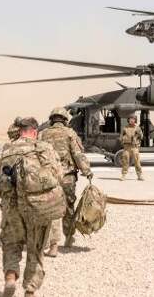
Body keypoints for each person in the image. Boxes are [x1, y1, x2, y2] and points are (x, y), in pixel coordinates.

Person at [0, 117, 62, 297]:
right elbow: (58, 175)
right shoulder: (44, 148)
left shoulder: (5, 150)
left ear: (20, 131)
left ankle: (10, 277)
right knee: (36, 250)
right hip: (37, 209)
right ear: (35, 131)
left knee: (11, 245)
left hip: (11, 210)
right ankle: (30, 291)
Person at [39, 107, 93, 255]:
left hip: (48, 178)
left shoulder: (42, 134)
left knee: (49, 208)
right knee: (68, 207)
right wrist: (87, 171)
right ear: (64, 119)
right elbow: (77, 154)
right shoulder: (70, 133)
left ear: (51, 119)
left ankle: (50, 243)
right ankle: (69, 237)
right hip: (67, 177)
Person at [119, 113, 144, 181]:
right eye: (130, 119)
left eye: (133, 119)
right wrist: (123, 140)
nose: (132, 120)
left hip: (134, 147)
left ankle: (139, 175)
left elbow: (141, 137)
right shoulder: (125, 128)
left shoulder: (137, 128)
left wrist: (138, 134)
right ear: (128, 120)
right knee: (125, 161)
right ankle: (123, 175)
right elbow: (121, 137)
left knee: (137, 161)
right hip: (126, 147)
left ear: (135, 120)